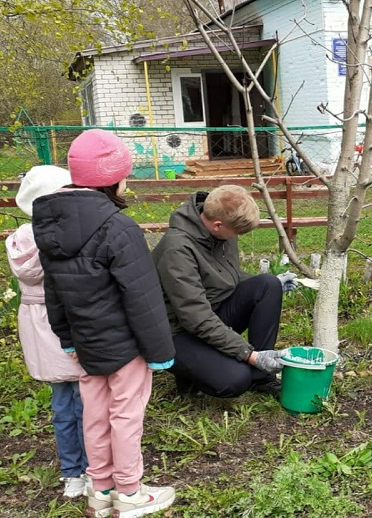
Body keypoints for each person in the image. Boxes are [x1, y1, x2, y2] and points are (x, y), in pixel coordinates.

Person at [32, 129, 176, 518]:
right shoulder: (119, 229)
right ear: (115, 179)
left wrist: (66, 338)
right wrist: (160, 352)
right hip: (124, 347)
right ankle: (129, 493)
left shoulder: (49, 226)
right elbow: (142, 298)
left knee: (95, 415)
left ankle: (101, 490)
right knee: (125, 417)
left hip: (85, 343)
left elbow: (54, 292)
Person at [151, 185, 288, 399]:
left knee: (268, 285)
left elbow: (223, 275)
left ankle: (261, 377)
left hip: (209, 313)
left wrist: (270, 283)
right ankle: (189, 374)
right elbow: (195, 317)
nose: (237, 237)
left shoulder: (220, 231)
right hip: (176, 332)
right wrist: (248, 354)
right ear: (217, 225)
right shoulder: (177, 250)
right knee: (235, 380)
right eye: (237, 233)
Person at [5, 166, 88, 499]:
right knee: (85, 403)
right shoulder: (60, 235)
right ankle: (89, 468)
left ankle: (73, 472)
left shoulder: (21, 238)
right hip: (66, 319)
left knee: (63, 404)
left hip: (37, 322)